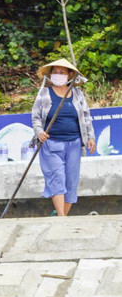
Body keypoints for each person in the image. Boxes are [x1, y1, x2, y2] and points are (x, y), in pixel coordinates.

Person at [33, 58, 95, 217]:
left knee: (71, 182)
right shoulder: (45, 93)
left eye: (62, 72)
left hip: (74, 144)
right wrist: (39, 131)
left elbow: (86, 118)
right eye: (55, 72)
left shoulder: (77, 94)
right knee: (57, 178)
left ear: (70, 75)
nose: (58, 75)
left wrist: (90, 137)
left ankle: (62, 218)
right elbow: (36, 117)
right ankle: (61, 218)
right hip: (51, 144)